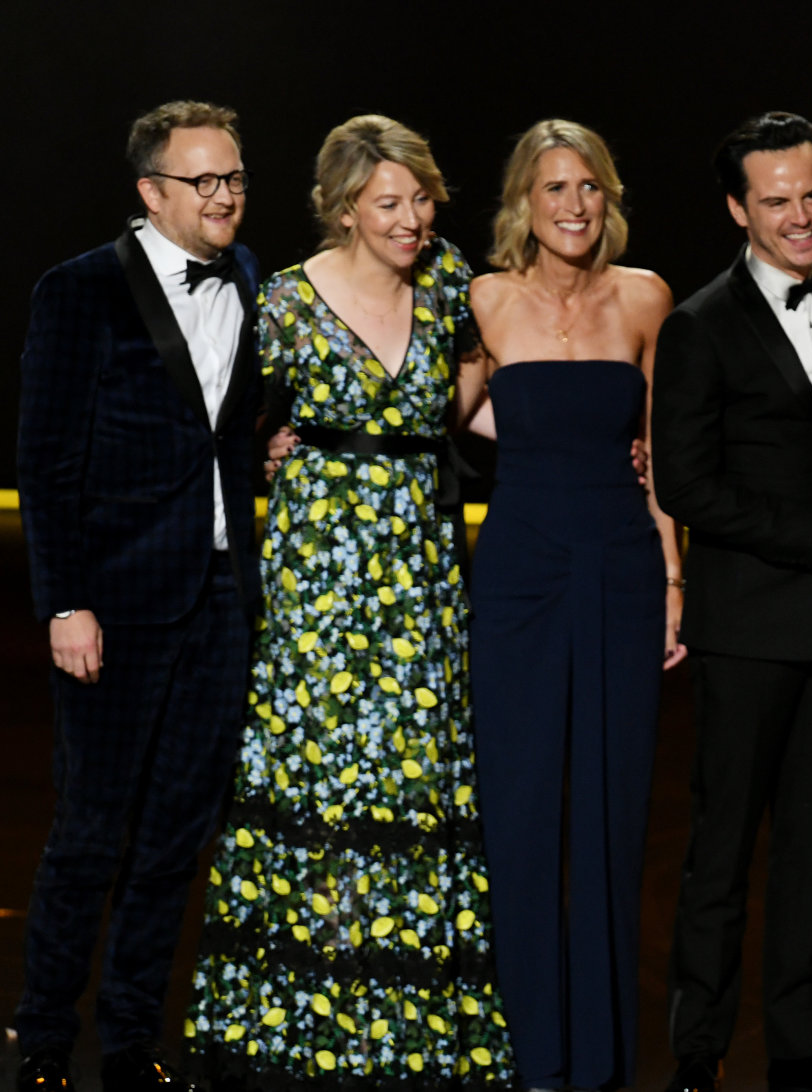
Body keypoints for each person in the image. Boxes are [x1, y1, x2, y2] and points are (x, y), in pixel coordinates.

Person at [185, 115, 515, 1088]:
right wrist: (271, 447)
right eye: (389, 203)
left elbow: (473, 405)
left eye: (420, 198)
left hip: (417, 573)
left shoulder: (451, 284)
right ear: (342, 209)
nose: (411, 218)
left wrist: (588, 441)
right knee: (320, 785)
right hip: (318, 585)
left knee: (412, 784)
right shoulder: (283, 301)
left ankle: (405, 1026)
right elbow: (221, 423)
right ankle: (298, 1023)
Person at [14, 100, 259, 1092]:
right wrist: (63, 601)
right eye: (204, 180)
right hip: (114, 606)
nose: (226, 195)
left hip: (221, 600)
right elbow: (45, 456)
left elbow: (239, 424)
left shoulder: (252, 278)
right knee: (89, 833)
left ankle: (125, 1040)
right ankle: (40, 1039)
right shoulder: (79, 292)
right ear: (151, 192)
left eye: (236, 176)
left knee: (172, 841)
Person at [651, 111, 812, 1092]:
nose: (800, 217)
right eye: (776, 201)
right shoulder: (698, 324)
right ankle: (697, 1058)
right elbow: (683, 483)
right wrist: (808, 530)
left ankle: (805, 1056)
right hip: (748, 627)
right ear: (735, 209)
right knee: (720, 855)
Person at [464, 117, 684, 1092]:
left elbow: (662, 461)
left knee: (609, 811)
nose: (574, 205)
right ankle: (529, 1057)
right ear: (525, 201)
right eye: (554, 189)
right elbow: (437, 413)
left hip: (621, 568)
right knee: (515, 808)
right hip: (517, 567)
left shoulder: (645, 298)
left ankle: (597, 1060)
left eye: (588, 187)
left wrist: (675, 582)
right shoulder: (485, 298)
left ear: (609, 197)